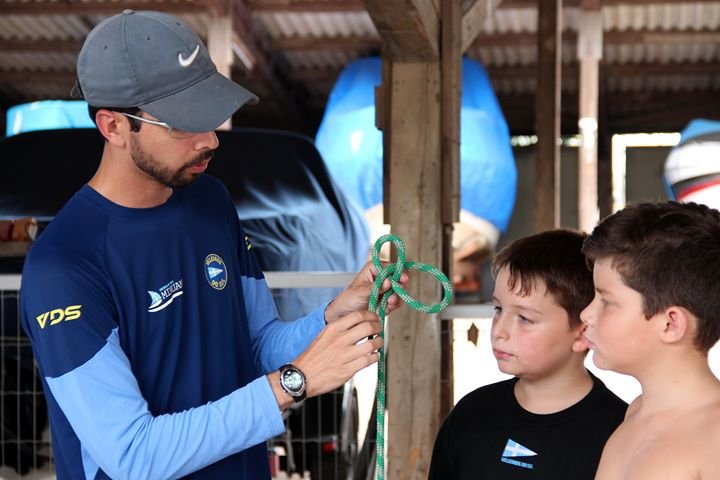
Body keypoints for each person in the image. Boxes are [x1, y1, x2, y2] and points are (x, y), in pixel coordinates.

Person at [19, 10, 404, 480]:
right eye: (182, 124)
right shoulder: (64, 266)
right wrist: (293, 383)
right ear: (113, 126)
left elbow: (258, 346)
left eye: (210, 113)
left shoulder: (210, 201)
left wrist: (332, 318)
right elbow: (134, 456)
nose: (209, 140)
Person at [429, 229, 627, 479]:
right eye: (498, 309)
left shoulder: (619, 432)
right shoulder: (471, 414)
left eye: (525, 318)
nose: (499, 331)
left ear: (582, 332)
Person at [581, 201, 720, 480]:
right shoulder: (636, 412)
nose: (586, 314)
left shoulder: (714, 437)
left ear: (670, 324)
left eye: (606, 301)